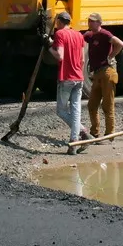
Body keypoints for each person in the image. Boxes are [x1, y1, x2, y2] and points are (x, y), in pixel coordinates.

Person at [46, 10, 87, 154]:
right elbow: (82, 60)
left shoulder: (60, 34)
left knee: (61, 111)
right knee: (76, 110)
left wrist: (48, 47)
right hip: (79, 77)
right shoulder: (79, 35)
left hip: (66, 78)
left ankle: (81, 132)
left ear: (59, 22)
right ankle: (76, 140)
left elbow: (60, 56)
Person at [84, 13, 123, 141]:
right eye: (89, 21)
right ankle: (94, 133)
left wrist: (111, 56)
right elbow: (79, 38)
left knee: (107, 105)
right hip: (96, 74)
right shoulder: (89, 35)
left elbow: (120, 43)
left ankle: (109, 134)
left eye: (93, 21)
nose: (90, 23)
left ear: (99, 23)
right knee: (92, 105)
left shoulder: (105, 34)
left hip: (107, 72)